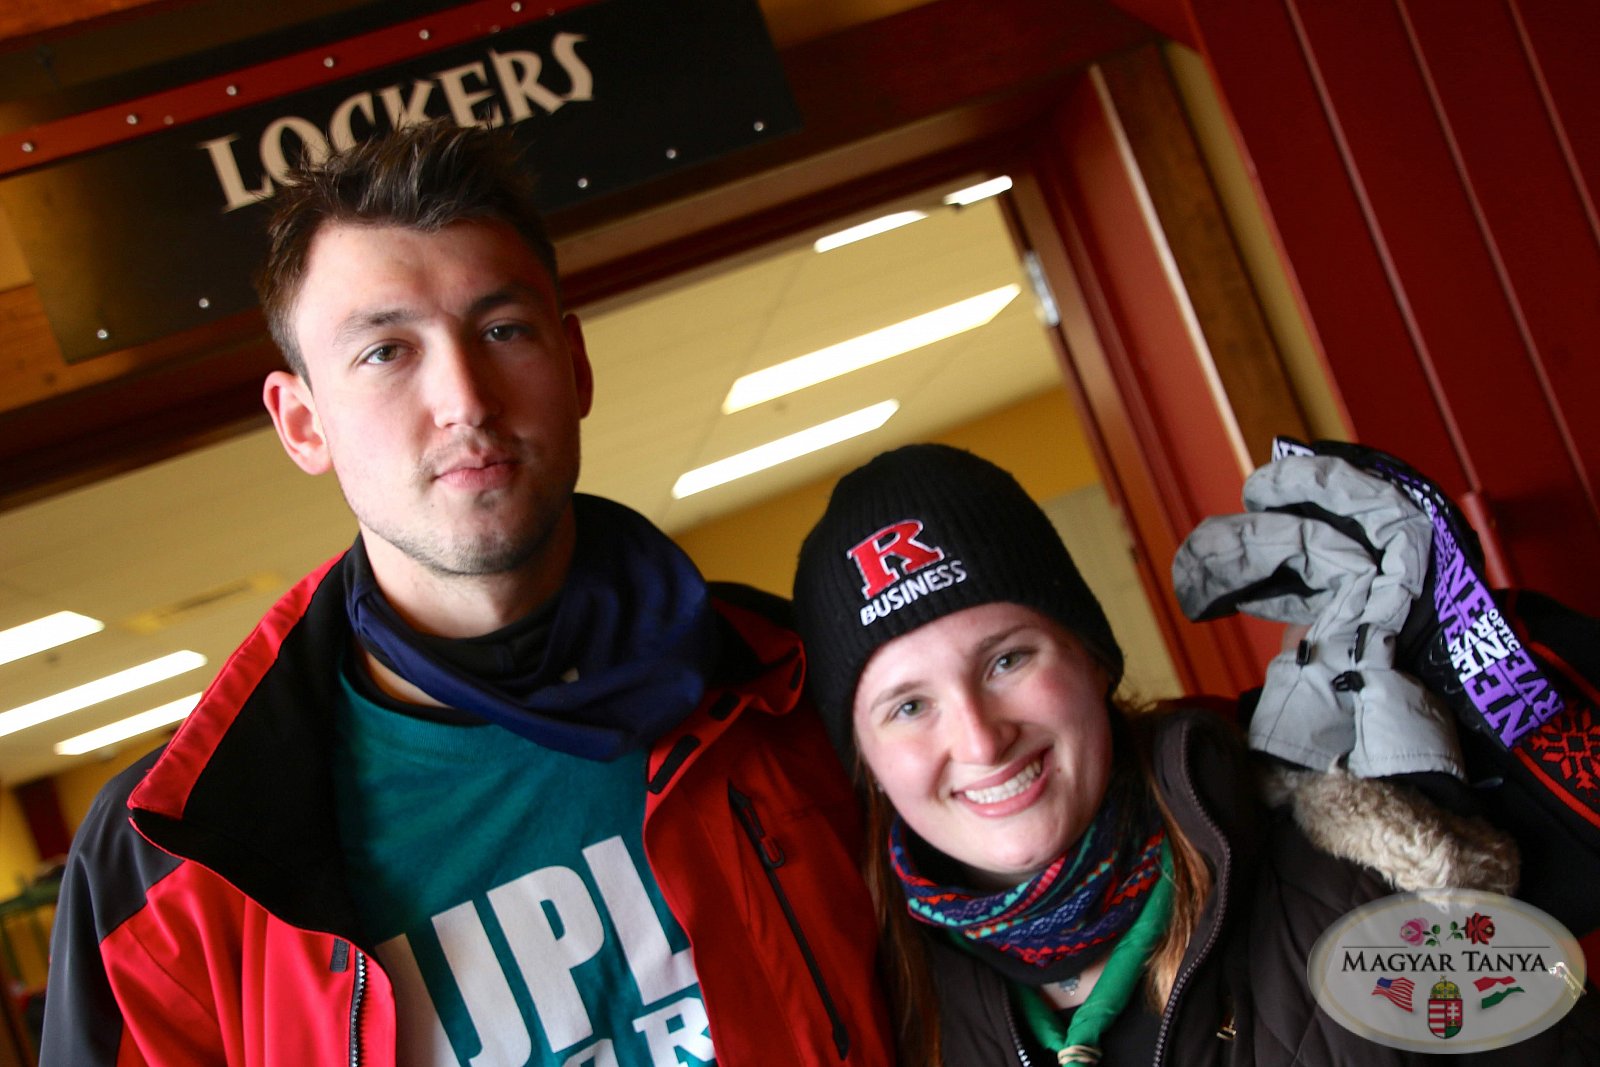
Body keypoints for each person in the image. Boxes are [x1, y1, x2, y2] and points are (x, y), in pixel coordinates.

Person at [40, 120, 892, 1066]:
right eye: (386, 351)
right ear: (303, 424)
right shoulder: (167, 861)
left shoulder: (791, 673)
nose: (466, 399)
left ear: (574, 366)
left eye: (501, 330)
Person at [790, 442, 1599, 1066]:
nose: (978, 737)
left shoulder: (1358, 874)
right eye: (909, 706)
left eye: (1008, 659)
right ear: (866, 762)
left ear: (1093, 659)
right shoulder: (880, 1017)